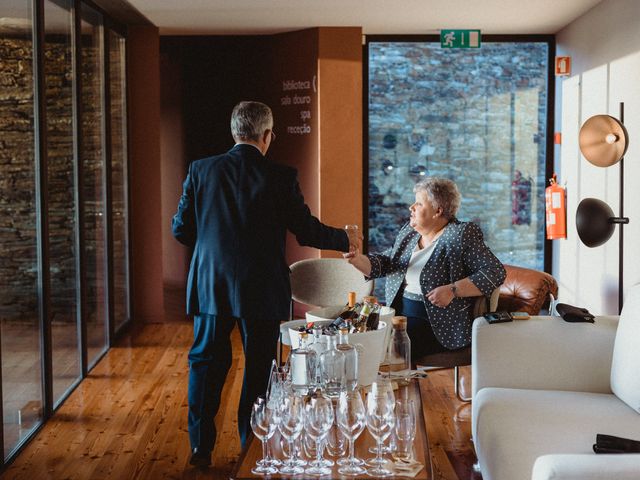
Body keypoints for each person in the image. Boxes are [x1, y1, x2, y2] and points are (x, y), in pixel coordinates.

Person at [172, 101, 350, 467]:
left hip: (211, 285)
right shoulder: (281, 176)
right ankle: (251, 449)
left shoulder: (201, 170)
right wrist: (346, 240)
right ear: (267, 136)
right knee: (261, 370)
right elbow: (306, 230)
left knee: (205, 366)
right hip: (262, 286)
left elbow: (181, 229)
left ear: (235, 132)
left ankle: (199, 451)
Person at [345, 177, 506, 360]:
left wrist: (453, 290)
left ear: (438, 211)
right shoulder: (410, 233)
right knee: (357, 333)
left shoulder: (460, 235)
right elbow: (387, 262)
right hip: (400, 316)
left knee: (382, 345)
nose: (411, 207)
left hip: (438, 325)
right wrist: (356, 259)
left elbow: (494, 271)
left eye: (419, 203)